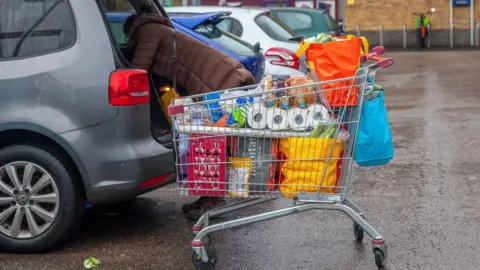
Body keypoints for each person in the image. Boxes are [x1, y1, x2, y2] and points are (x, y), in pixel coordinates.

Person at [123, 12, 255, 219]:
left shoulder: (148, 31)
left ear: (131, 28)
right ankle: (207, 198)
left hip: (221, 82)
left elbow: (139, 67)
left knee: (212, 146)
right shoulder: (158, 28)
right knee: (205, 144)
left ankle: (214, 201)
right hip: (220, 78)